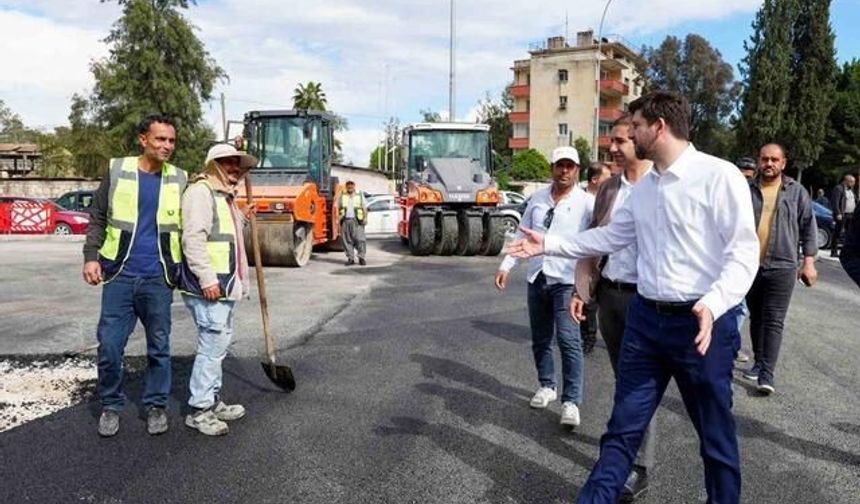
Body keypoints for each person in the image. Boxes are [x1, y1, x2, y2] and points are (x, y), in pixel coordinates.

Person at [508, 90, 758, 504]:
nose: (628, 135)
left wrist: (713, 303)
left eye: (636, 127)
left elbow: (743, 254)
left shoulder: (719, 176)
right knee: (622, 429)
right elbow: (610, 237)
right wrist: (549, 243)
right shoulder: (644, 190)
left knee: (715, 436)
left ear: (658, 127)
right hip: (646, 321)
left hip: (702, 325)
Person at [82, 114, 187, 437]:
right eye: (160, 139)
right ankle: (110, 404)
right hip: (119, 275)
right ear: (143, 140)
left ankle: (156, 405)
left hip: (158, 278)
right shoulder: (118, 170)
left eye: (171, 140)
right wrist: (90, 257)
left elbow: (200, 215)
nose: (167, 146)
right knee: (110, 346)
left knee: (159, 346)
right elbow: (98, 216)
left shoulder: (180, 179)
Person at [571, 114, 653, 501]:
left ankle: (635, 466)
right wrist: (581, 289)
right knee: (625, 382)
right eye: (612, 142)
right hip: (611, 295)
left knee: (640, 387)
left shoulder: (660, 185)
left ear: (639, 138)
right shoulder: (607, 189)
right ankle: (621, 457)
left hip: (649, 299)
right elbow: (592, 239)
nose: (614, 148)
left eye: (621, 140)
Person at [495, 146, 592, 427]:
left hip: (566, 280)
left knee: (568, 340)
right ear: (552, 168)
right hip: (537, 277)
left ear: (577, 170)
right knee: (540, 338)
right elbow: (522, 236)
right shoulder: (536, 199)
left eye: (570, 166)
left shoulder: (586, 203)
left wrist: (587, 283)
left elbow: (593, 244)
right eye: (560, 165)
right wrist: (506, 265)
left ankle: (571, 401)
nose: (564, 171)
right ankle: (547, 385)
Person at [178, 143, 255, 436]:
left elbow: (226, 235)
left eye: (238, 164)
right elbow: (193, 239)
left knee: (219, 345)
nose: (235, 168)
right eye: (229, 163)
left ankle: (212, 400)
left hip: (224, 286)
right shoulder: (201, 192)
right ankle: (200, 410)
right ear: (214, 165)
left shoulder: (225, 196)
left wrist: (244, 215)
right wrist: (207, 279)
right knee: (211, 348)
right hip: (210, 286)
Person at [741, 143, 817, 395]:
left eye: (775, 159)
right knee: (756, 316)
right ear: (758, 161)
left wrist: (808, 262)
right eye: (764, 159)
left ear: (783, 163)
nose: (769, 164)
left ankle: (767, 373)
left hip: (783, 265)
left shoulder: (797, 192)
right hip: (749, 265)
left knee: (773, 320)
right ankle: (759, 361)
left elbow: (808, 227)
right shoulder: (746, 189)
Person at [580, 162, 610, 353]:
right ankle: (588, 338)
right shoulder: (584, 201)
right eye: (608, 177)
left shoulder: (607, 199)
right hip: (588, 256)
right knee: (587, 300)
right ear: (594, 179)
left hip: (606, 256)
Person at [733, 157, 758, 364]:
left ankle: (730, 344)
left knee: (742, 307)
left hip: (750, 257)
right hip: (730, 257)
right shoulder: (729, 191)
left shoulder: (757, 195)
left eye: (749, 177)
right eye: (742, 175)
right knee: (737, 305)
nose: (746, 180)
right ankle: (729, 345)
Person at [338, 181, 367, 266]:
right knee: (346, 241)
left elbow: (364, 207)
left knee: (360, 239)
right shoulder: (342, 195)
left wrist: (365, 218)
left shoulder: (359, 195)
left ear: (354, 186)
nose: (350, 186)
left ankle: (361, 257)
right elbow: (338, 208)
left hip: (357, 221)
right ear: (346, 186)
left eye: (351, 185)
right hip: (345, 220)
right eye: (348, 185)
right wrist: (337, 220)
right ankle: (350, 258)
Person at [829, 174, 856, 257]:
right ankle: (834, 251)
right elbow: (835, 202)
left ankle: (847, 252)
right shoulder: (839, 188)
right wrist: (838, 213)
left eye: (854, 182)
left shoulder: (851, 190)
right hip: (842, 214)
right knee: (838, 232)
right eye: (851, 182)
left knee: (849, 234)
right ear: (845, 181)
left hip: (850, 215)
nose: (853, 184)